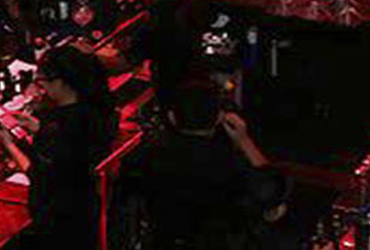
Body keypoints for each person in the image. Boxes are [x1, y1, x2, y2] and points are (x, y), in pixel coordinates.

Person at [120, 79, 281, 250]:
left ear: (172, 117)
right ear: (219, 118)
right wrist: (244, 140)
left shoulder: (146, 157)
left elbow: (125, 195)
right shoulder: (227, 163)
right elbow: (272, 196)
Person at [0, 46, 114, 250]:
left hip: (60, 217)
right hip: (87, 206)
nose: (41, 88)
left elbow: (39, 175)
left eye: (41, 81)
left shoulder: (63, 127)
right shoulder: (92, 109)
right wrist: (37, 127)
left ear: (60, 81)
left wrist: (9, 145)